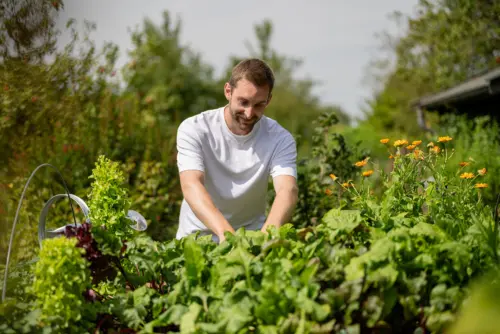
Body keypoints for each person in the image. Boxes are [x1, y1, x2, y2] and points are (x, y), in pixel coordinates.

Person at [175, 58, 298, 243]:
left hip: (250, 238)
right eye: (244, 102)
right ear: (228, 91)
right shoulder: (194, 129)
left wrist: (266, 237)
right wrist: (226, 235)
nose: (249, 113)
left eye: (258, 105)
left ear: (268, 100)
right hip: (197, 239)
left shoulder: (280, 139)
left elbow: (287, 189)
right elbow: (191, 185)